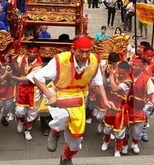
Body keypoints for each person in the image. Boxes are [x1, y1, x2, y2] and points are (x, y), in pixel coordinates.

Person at [33, 35, 111, 165]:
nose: (85, 55)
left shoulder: (94, 61)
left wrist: (106, 100)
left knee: (77, 141)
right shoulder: (60, 60)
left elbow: (98, 83)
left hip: (78, 97)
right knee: (63, 115)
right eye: (81, 51)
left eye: (88, 51)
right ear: (73, 49)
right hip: (58, 93)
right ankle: (55, 131)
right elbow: (37, 77)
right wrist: (50, 95)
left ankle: (66, 158)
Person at [101, 61, 132, 157]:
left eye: (123, 73)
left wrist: (110, 75)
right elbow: (105, 85)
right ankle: (105, 141)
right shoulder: (115, 74)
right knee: (107, 128)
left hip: (120, 109)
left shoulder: (128, 81)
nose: (121, 75)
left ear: (128, 71)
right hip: (110, 106)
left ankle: (118, 149)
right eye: (120, 72)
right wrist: (103, 73)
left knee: (119, 131)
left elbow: (115, 88)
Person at [125, 58, 154, 154]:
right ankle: (124, 145)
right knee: (125, 129)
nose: (133, 67)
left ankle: (135, 144)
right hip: (127, 107)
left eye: (136, 66)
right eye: (133, 65)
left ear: (141, 68)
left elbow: (153, 92)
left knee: (137, 131)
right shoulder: (127, 76)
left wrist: (151, 103)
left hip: (139, 109)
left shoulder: (146, 79)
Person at [12, 43, 43, 141]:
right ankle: (21, 121)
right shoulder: (21, 58)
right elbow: (16, 69)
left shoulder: (39, 65)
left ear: (37, 53)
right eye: (30, 52)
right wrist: (13, 61)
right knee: (20, 111)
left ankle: (27, 129)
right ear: (27, 51)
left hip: (33, 90)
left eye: (35, 52)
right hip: (21, 89)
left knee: (32, 113)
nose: (32, 54)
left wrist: (13, 77)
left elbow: (27, 79)